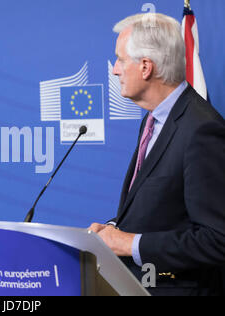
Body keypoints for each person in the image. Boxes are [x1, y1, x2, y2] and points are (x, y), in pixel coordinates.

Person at [89, 13, 225, 295]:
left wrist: (128, 243)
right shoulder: (154, 120)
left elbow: (217, 239)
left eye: (121, 59)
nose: (115, 70)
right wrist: (113, 230)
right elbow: (163, 208)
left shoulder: (202, 130)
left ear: (146, 67)